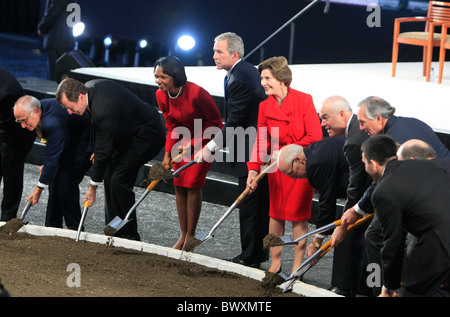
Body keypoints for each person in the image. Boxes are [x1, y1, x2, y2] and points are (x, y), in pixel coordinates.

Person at [332, 96, 450, 294]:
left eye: (362, 122)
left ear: (379, 118)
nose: (360, 128)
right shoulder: (409, 123)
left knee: (375, 236)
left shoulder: (395, 142)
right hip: (432, 191)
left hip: (426, 200)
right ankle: (377, 284)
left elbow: (386, 181)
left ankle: (378, 287)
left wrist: (357, 209)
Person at [56, 77, 165, 240]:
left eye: (70, 108)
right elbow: (101, 138)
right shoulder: (88, 90)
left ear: (79, 97)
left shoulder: (102, 109)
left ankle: (129, 234)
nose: (70, 113)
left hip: (148, 135)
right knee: (109, 173)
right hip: (126, 131)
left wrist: (92, 188)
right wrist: (100, 149)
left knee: (119, 178)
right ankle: (114, 228)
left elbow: (103, 149)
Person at [194, 32, 270, 268]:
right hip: (250, 143)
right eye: (214, 50)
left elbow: (235, 122)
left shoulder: (239, 78)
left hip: (253, 147)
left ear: (234, 54)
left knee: (251, 205)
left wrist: (210, 148)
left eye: (219, 52)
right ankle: (255, 252)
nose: (213, 55)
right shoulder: (238, 73)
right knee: (253, 204)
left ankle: (251, 256)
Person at [246, 56, 323, 274]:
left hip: (299, 168)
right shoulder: (264, 106)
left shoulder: (304, 100)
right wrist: (253, 168)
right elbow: (261, 141)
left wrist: (287, 151)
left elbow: (315, 136)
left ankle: (298, 265)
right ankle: (275, 262)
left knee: (298, 217)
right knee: (276, 214)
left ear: (281, 79)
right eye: (262, 78)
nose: (263, 83)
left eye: (267, 78)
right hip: (276, 169)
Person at [361, 134, 450, 297]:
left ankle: (376, 289)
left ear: (373, 164)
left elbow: (392, 243)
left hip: (437, 241)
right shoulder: (425, 167)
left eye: (364, 164)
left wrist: (388, 288)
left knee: (408, 292)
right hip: (431, 233)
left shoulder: (384, 192)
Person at [154, 56, 223, 250]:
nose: (159, 81)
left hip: (205, 141)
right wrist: (167, 155)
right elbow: (171, 125)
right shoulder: (161, 95)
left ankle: (191, 237)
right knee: (178, 183)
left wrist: (194, 143)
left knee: (192, 184)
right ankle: (183, 235)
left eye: (163, 77)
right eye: (157, 77)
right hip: (181, 141)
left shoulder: (197, 93)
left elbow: (216, 124)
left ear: (175, 76)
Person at [317, 95, 373, 296]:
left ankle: (345, 286)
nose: (322, 124)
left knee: (348, 227)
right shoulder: (356, 132)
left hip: (381, 190)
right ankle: (362, 285)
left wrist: (345, 219)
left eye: (325, 118)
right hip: (376, 189)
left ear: (342, 114)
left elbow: (356, 187)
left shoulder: (355, 140)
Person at [13, 96, 94, 230]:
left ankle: (74, 227)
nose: (23, 126)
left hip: (85, 143)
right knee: (55, 177)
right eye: (19, 121)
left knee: (66, 181)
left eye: (24, 120)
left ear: (36, 112)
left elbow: (52, 155)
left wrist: (38, 189)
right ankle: (52, 226)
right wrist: (48, 169)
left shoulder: (52, 122)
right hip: (70, 139)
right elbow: (53, 152)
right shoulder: (40, 110)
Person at [277, 136, 348, 255]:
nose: (294, 178)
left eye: (292, 173)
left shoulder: (315, 165)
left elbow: (326, 203)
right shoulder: (313, 152)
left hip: (367, 183)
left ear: (298, 159)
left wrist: (316, 242)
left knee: (345, 241)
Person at [0, 67, 35, 222]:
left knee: (11, 174)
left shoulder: (5, 92)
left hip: (17, 134)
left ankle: (7, 219)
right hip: (4, 127)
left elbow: (4, 127)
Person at [38, 0, 75, 81]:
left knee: (55, 76)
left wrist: (42, 27)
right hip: (66, 36)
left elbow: (53, 11)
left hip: (58, 37)